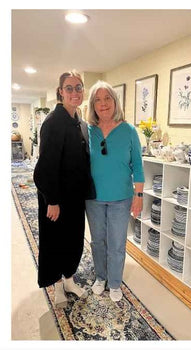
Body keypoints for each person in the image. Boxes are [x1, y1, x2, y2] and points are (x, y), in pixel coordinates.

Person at [33, 70, 95, 307]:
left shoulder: (79, 121)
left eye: (78, 87)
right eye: (69, 88)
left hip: (75, 196)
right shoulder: (53, 122)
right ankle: (58, 286)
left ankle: (69, 280)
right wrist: (52, 200)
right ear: (61, 92)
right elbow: (45, 166)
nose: (75, 92)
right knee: (55, 242)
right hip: (56, 197)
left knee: (73, 240)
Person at [85, 80, 145, 302]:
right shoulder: (87, 130)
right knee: (98, 241)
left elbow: (138, 165)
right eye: (98, 100)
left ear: (115, 101)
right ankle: (101, 277)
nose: (103, 104)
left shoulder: (128, 130)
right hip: (93, 198)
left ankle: (115, 282)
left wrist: (138, 196)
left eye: (107, 98)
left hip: (121, 198)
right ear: (93, 105)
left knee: (117, 243)